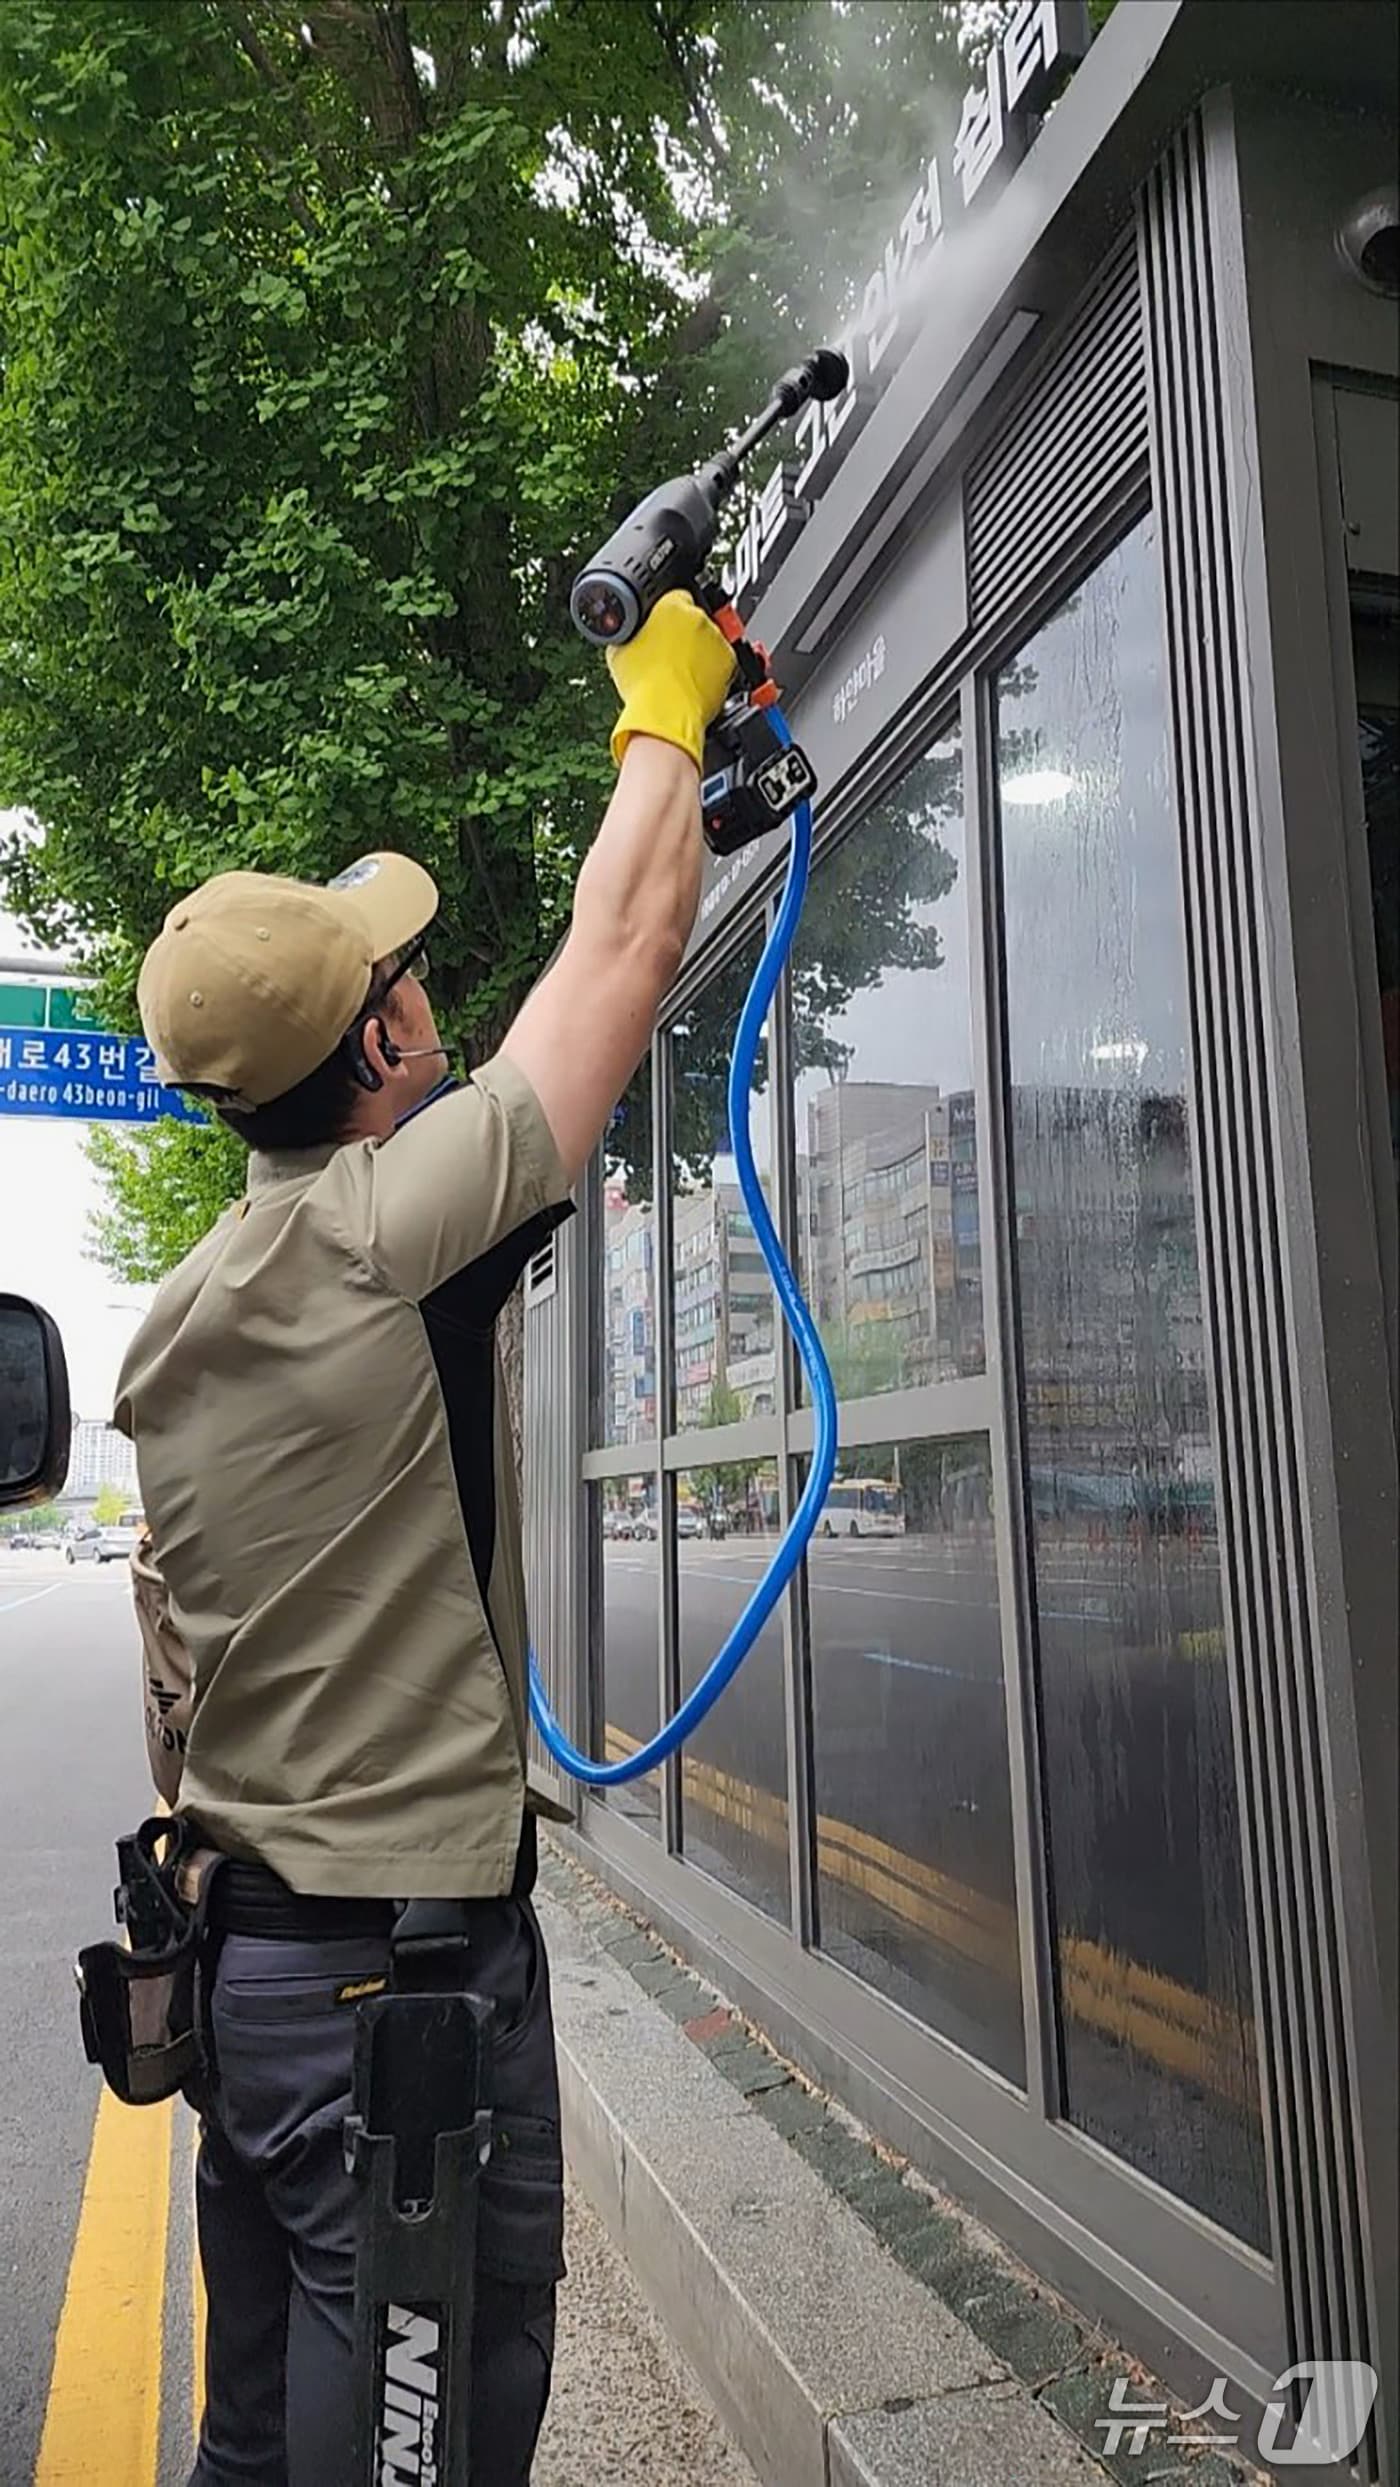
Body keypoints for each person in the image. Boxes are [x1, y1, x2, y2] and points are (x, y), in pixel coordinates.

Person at [112, 591, 735, 2487]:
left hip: (254, 1987)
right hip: (404, 2008)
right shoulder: (393, 1242)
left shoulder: (184, 1313)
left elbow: (170, 1691)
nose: (432, 1001)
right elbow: (622, 945)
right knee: (416, 2445)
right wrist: (668, 703)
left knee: (255, 2441)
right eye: (406, 983)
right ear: (383, 1044)